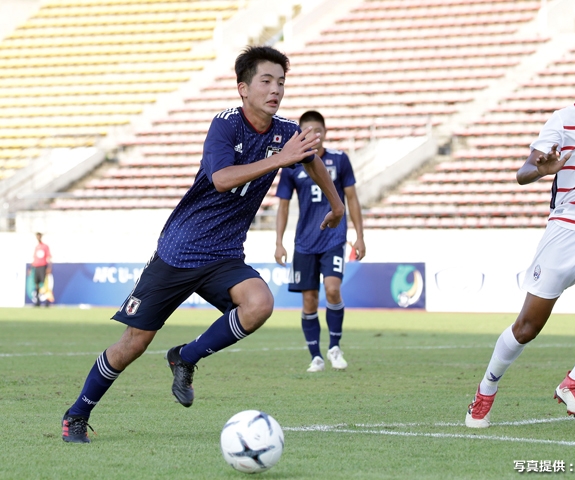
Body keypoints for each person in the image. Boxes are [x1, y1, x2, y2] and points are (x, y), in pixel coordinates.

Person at [61, 46, 345, 443]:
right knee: (134, 343)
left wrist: (336, 205)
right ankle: (76, 414)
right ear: (243, 88)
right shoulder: (225, 124)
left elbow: (309, 157)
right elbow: (222, 178)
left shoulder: (284, 130)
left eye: (281, 82)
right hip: (180, 250)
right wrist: (280, 159)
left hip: (224, 254)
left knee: (260, 303)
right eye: (266, 80)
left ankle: (186, 356)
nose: (275, 89)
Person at [465, 39, 575, 428]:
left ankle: (573, 382)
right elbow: (522, 173)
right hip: (565, 233)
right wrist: (542, 170)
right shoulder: (562, 121)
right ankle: (486, 389)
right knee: (527, 327)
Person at [274, 110, 366, 372]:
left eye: (318, 130)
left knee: (333, 289)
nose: (313, 135)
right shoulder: (292, 165)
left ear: (324, 132)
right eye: (307, 131)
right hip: (304, 241)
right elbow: (282, 206)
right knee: (309, 300)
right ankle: (316, 356)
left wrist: (359, 236)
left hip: (334, 238)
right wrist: (279, 242)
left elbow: (352, 199)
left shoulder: (340, 160)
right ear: (300, 135)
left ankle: (334, 348)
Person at [30, 232, 52, 307]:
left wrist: (49, 267)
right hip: (36, 267)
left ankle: (47, 301)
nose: (38, 237)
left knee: (44, 284)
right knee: (36, 284)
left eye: (39, 236)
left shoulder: (45, 246)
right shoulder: (36, 247)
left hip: (43, 266)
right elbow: (34, 258)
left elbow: (49, 257)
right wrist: (31, 268)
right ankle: (37, 301)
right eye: (37, 236)